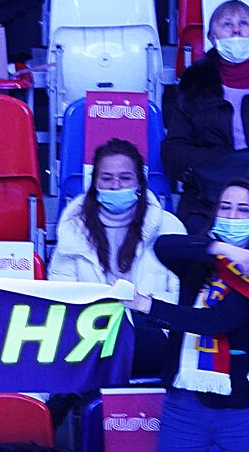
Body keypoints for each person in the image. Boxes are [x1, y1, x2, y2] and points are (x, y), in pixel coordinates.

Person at [128, 180, 249, 452]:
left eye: (243, 210)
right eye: (226, 207)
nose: (232, 215)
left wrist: (147, 306)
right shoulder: (202, 260)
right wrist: (222, 250)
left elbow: (212, 322)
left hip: (241, 412)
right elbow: (164, 246)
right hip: (184, 408)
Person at [162, 0, 249, 245]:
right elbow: (175, 150)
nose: (236, 30)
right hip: (209, 193)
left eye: (244, 23)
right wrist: (226, 166)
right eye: (226, 24)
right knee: (198, 239)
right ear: (211, 36)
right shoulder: (193, 81)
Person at [50, 138, 185, 377]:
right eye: (107, 178)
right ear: (95, 183)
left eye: (125, 178)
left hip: (152, 328)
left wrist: (141, 307)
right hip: (89, 331)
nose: (115, 186)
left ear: (139, 183)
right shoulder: (72, 228)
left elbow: (180, 294)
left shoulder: (169, 226)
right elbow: (59, 293)